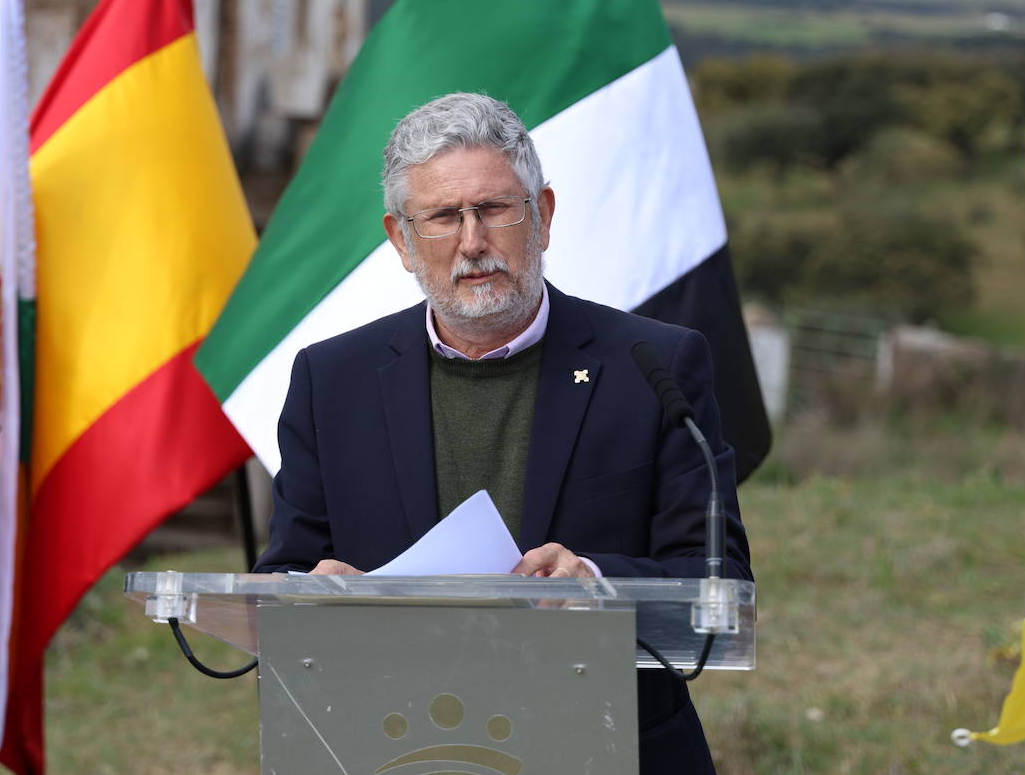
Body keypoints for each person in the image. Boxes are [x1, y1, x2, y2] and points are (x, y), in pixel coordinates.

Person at [255, 92, 752, 773]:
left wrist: (595, 581)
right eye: (441, 217)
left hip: (611, 744)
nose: (472, 242)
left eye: (493, 209)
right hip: (396, 745)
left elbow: (713, 581)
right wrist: (311, 593)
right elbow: (282, 574)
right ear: (401, 240)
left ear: (541, 216)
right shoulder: (331, 379)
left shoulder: (655, 366)